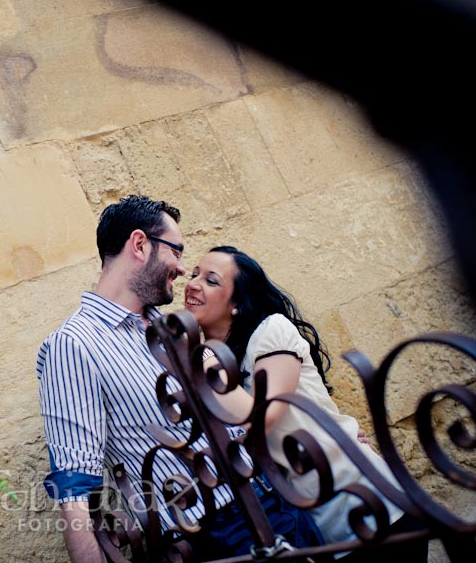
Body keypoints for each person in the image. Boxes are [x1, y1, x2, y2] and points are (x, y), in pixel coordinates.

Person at [37, 196, 324, 563]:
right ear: (140, 245)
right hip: (215, 532)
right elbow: (74, 483)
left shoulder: (171, 329)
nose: (181, 267)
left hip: (277, 503)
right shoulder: (72, 344)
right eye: (176, 251)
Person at [183, 246, 429, 562]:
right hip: (319, 529)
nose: (192, 283)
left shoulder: (270, 331)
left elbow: (261, 418)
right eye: (193, 274)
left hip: (370, 506)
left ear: (237, 304)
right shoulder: (217, 363)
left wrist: (198, 355)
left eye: (211, 280)